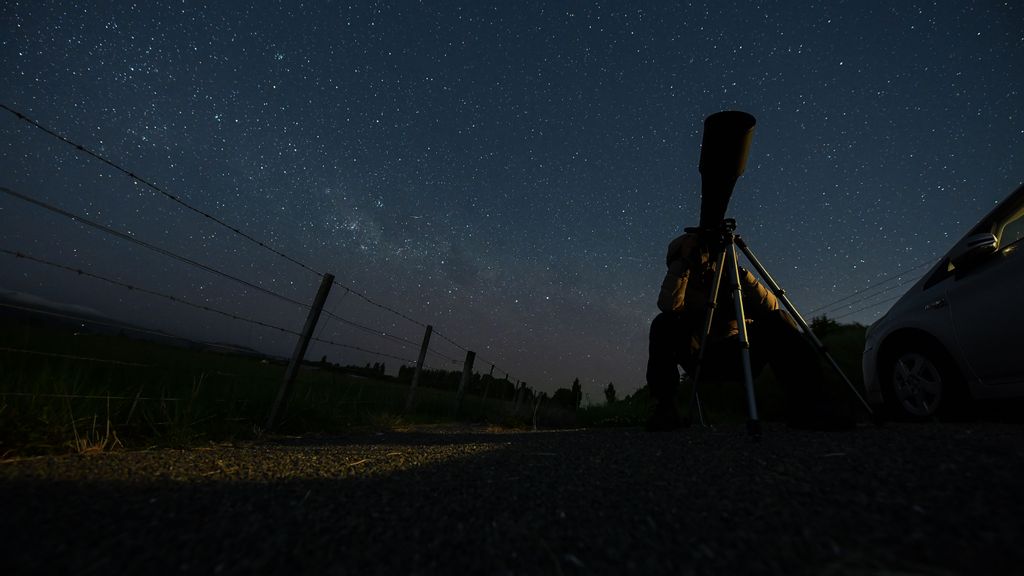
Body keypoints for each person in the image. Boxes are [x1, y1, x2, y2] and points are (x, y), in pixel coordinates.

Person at [645, 228, 846, 431]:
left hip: (742, 352)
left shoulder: (731, 282)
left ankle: (810, 404)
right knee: (663, 323)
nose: (703, 259)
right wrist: (685, 264)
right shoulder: (681, 287)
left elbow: (771, 308)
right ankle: (664, 409)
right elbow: (668, 306)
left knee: (779, 319)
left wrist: (739, 273)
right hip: (701, 357)